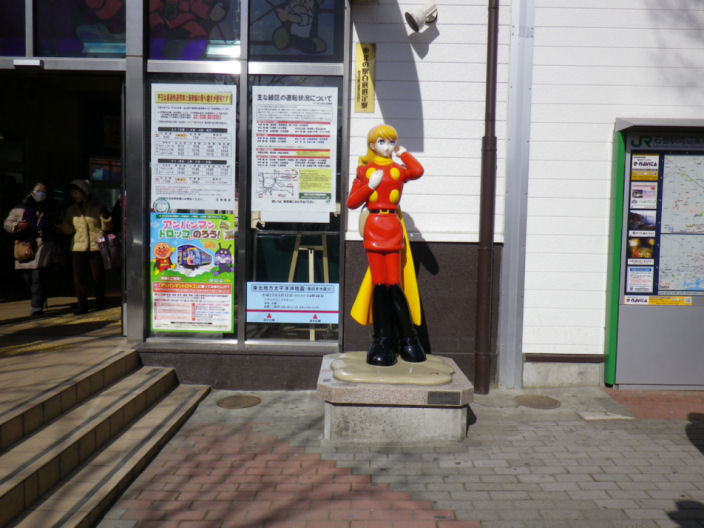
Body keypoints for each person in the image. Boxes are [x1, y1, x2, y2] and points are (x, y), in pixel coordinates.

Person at [347, 124, 426, 367]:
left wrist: (403, 153)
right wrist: (369, 186)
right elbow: (351, 202)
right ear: (372, 145)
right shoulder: (364, 171)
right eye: (382, 142)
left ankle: (408, 338)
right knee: (379, 284)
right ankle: (382, 339)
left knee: (394, 283)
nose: (388, 146)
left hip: (392, 225)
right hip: (374, 226)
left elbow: (417, 171)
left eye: (391, 142)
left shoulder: (398, 170)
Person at [55, 179, 112, 314]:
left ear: (84, 192)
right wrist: (60, 224)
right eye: (72, 193)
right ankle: (82, 305)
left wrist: (106, 218)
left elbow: (107, 227)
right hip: (78, 247)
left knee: (97, 277)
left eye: (76, 192)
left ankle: (100, 302)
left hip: (95, 246)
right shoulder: (71, 210)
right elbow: (69, 230)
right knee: (79, 278)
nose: (74, 195)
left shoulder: (97, 207)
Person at [3, 182, 56, 316]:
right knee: (27, 276)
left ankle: (36, 306)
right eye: (38, 191)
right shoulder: (20, 207)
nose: (41, 194)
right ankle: (41, 295)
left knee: (38, 275)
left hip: (42, 243)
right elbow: (7, 223)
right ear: (32, 192)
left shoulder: (49, 207)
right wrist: (17, 226)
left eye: (43, 192)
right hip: (25, 243)